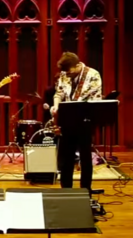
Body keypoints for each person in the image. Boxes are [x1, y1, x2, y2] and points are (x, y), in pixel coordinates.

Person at [50, 52, 103, 193]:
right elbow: (59, 93)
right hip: (68, 121)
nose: (67, 75)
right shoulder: (65, 74)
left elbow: (91, 100)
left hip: (85, 121)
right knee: (66, 157)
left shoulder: (93, 75)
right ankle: (66, 190)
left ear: (78, 65)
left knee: (85, 157)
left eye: (69, 72)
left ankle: (86, 189)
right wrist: (56, 105)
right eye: (65, 73)